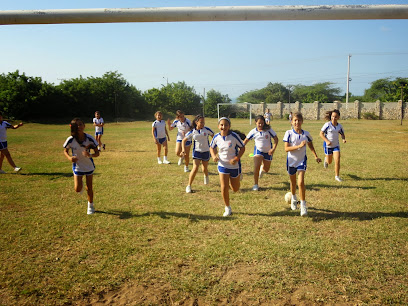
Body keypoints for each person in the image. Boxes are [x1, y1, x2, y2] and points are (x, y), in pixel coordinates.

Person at [283, 112, 321, 216]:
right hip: (291, 161)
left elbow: (311, 146)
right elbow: (286, 148)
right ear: (292, 122)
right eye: (295, 120)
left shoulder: (306, 134)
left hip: (301, 161)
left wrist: (315, 156)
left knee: (300, 183)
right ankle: (294, 198)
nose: (297, 122)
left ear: (302, 122)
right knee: (293, 182)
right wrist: (298, 146)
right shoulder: (288, 133)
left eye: (299, 120)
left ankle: (303, 206)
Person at [210, 117, 245, 217]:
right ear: (218, 126)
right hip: (222, 165)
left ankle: (239, 176)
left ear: (229, 126)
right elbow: (211, 147)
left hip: (234, 166)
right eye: (221, 125)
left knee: (235, 188)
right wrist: (213, 156)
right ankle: (227, 207)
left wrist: (237, 158)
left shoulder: (234, 136)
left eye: (226, 125)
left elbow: (242, 147)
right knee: (224, 186)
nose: (223, 127)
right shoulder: (216, 137)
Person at [63, 118, 100, 215]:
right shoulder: (71, 139)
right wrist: (70, 158)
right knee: (77, 189)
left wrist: (90, 155)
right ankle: (80, 186)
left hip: (88, 165)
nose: (79, 127)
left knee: (90, 187)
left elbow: (97, 153)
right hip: (78, 166)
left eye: (80, 124)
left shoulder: (89, 138)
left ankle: (90, 206)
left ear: (84, 126)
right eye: (77, 125)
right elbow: (65, 150)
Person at [243, 115, 278, 191]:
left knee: (266, 169)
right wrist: (240, 148)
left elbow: (276, 139)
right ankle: (255, 184)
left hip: (268, 152)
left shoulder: (268, 130)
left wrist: (273, 149)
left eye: (262, 123)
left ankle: (262, 169)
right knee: (256, 166)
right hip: (258, 151)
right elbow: (245, 141)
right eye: (259, 123)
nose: (260, 125)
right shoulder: (253, 131)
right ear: (255, 122)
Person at [182, 115, 214, 193]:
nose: (203, 124)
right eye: (201, 122)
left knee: (204, 168)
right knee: (195, 168)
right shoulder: (192, 131)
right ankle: (189, 185)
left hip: (206, 151)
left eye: (203, 122)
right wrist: (183, 149)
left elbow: (214, 137)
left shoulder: (207, 130)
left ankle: (206, 176)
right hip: (197, 152)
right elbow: (183, 140)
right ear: (196, 122)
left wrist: (213, 147)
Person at [319, 109, 346, 182]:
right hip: (328, 147)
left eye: (335, 117)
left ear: (338, 117)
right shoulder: (327, 125)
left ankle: (337, 176)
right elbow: (321, 134)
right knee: (329, 162)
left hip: (336, 146)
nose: (334, 118)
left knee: (337, 161)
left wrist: (343, 139)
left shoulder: (339, 126)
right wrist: (327, 141)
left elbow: (342, 134)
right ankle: (326, 160)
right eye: (332, 116)